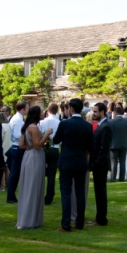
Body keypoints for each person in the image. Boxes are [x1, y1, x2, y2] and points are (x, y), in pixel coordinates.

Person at [52, 98, 93, 232]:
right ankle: (79, 222)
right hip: (81, 161)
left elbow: (56, 139)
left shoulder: (65, 124)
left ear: (71, 109)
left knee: (66, 193)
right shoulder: (87, 125)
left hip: (67, 162)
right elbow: (90, 146)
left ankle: (66, 224)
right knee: (80, 193)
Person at [17, 106, 51, 229]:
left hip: (27, 155)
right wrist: (46, 135)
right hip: (35, 156)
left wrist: (30, 145)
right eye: (41, 112)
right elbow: (37, 145)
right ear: (37, 114)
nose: (43, 113)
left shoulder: (26, 127)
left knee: (28, 186)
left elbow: (21, 145)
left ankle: (27, 218)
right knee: (34, 186)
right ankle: (30, 220)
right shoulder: (34, 128)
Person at [88, 103, 112, 227]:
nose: (94, 113)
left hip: (101, 165)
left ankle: (101, 219)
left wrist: (95, 163)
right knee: (99, 192)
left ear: (102, 112)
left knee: (101, 192)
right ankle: (99, 218)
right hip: (98, 163)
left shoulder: (105, 126)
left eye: (96, 111)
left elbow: (103, 149)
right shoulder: (101, 125)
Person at [6, 101, 29, 204]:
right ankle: (11, 196)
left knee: (15, 173)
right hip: (17, 148)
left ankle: (11, 195)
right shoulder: (18, 119)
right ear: (22, 109)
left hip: (15, 147)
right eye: (27, 108)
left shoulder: (18, 118)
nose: (28, 110)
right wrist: (27, 140)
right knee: (15, 173)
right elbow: (17, 135)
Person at [39, 102, 62, 205]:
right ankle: (49, 196)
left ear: (47, 111)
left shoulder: (42, 122)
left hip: (44, 148)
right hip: (54, 148)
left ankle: (39, 194)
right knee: (52, 175)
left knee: (41, 174)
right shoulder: (59, 122)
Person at [108, 105, 127, 181]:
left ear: (115, 113)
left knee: (114, 161)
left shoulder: (111, 122)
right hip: (124, 143)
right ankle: (121, 178)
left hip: (113, 144)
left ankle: (113, 178)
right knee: (123, 161)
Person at [0, 111, 12, 193]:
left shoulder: (1, 126)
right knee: (7, 168)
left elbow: (0, 138)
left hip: (3, 148)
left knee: (2, 169)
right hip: (10, 148)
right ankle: (8, 185)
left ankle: (1, 187)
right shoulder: (9, 125)